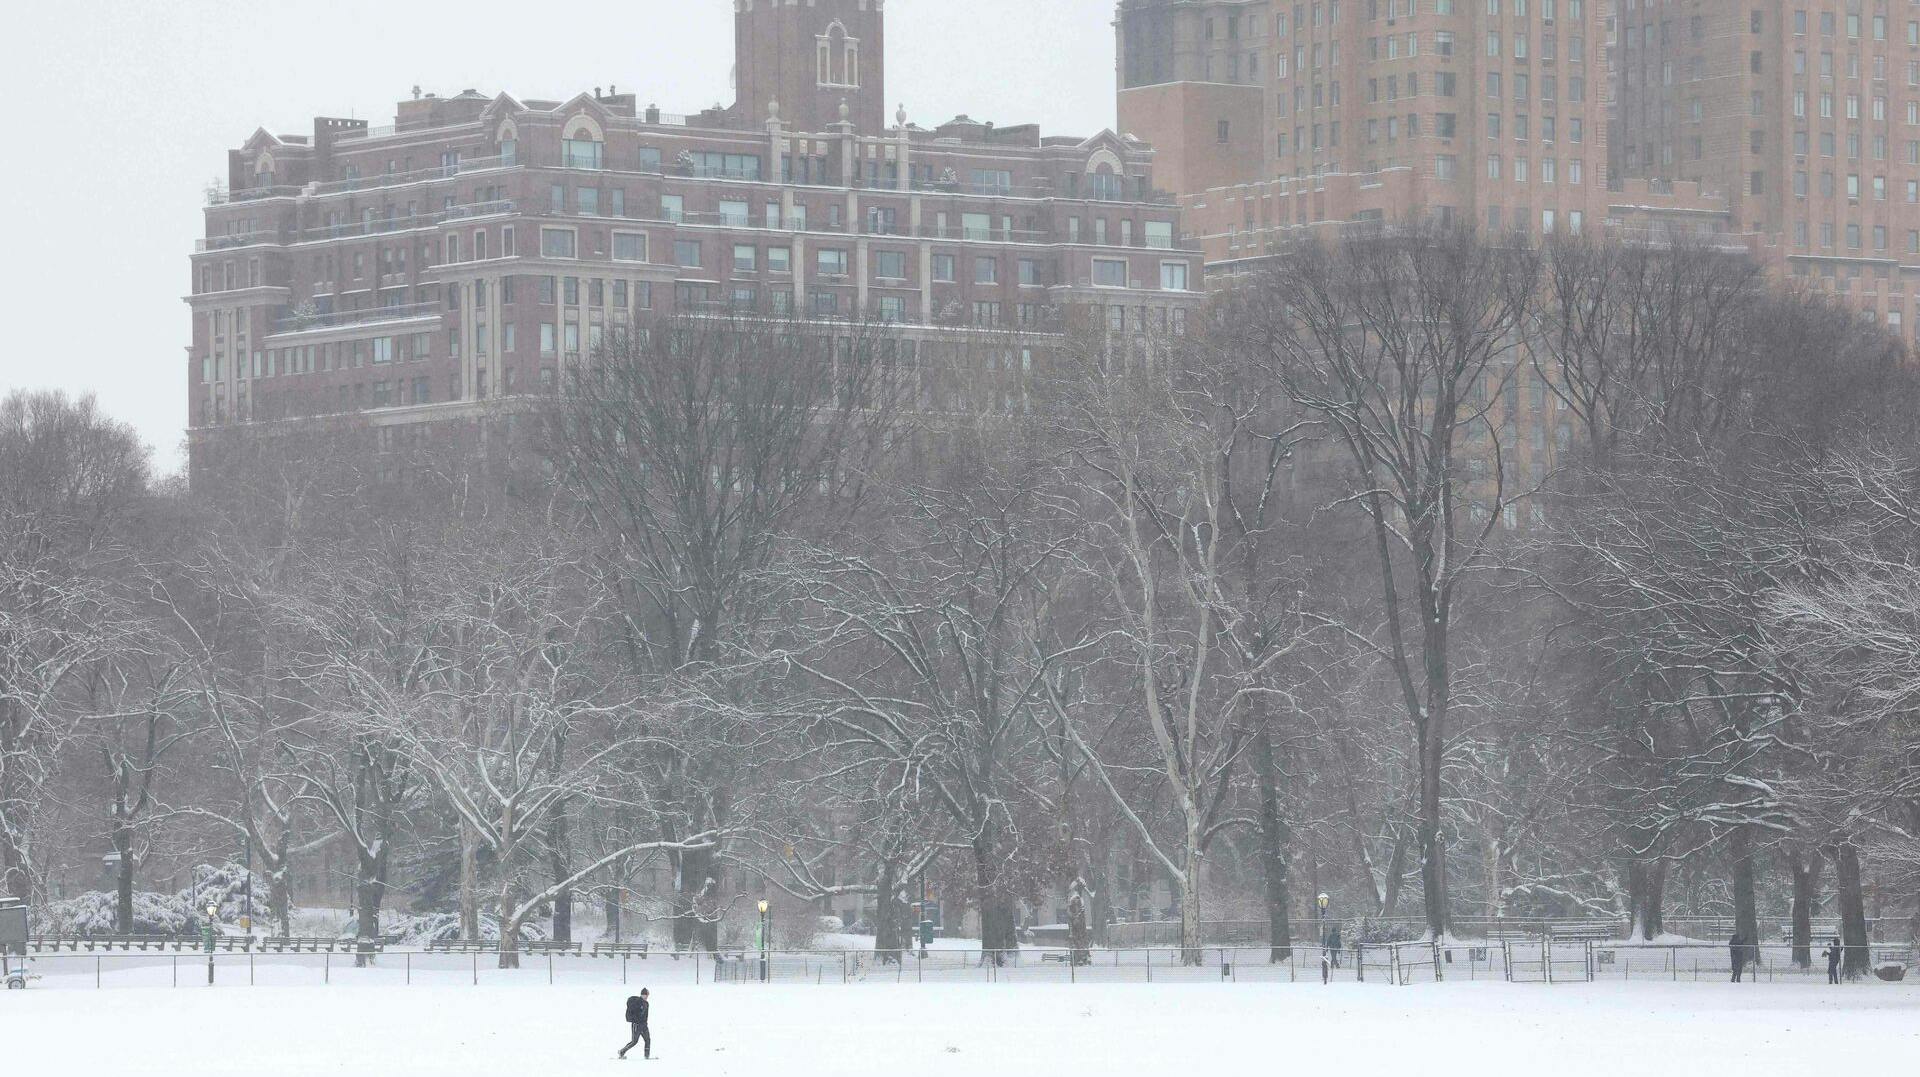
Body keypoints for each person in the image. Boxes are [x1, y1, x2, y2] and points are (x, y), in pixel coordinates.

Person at [619, 989, 650, 1060]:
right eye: (646, 995)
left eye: (647, 995)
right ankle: (621, 1052)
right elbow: (634, 1013)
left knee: (647, 1040)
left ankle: (647, 1056)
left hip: (644, 1025)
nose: (647, 996)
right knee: (634, 1041)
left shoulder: (646, 1003)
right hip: (636, 1025)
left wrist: (645, 1023)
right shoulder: (637, 1002)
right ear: (642, 994)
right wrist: (636, 1020)